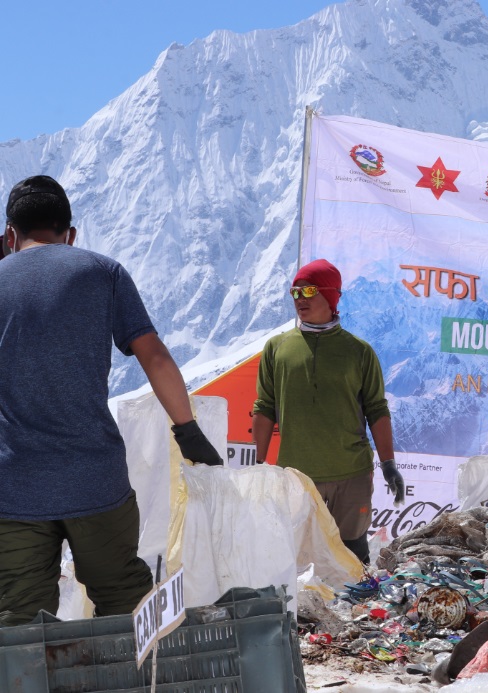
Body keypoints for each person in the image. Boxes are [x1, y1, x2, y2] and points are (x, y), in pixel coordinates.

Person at [0, 175, 222, 627]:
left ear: (9, 235)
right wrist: (188, 431)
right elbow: (155, 356)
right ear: (71, 234)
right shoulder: (103, 272)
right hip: (96, 481)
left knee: (19, 621)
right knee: (125, 601)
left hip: (14, 486)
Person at [251, 259, 404, 565]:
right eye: (295, 292)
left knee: (352, 556)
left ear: (332, 295)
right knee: (298, 559)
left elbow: (376, 409)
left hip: (352, 475)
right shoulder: (277, 349)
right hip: (296, 475)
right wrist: (257, 466)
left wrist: (388, 464)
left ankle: (356, 613)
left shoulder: (359, 352)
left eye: (309, 290)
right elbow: (265, 406)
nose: (300, 299)